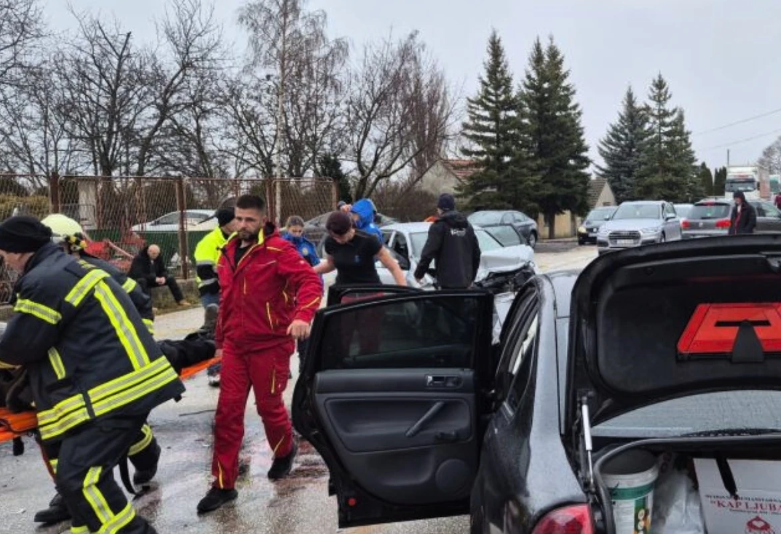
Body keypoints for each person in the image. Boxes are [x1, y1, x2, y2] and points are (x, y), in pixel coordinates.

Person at [0, 215, 185, 534]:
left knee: (80, 481)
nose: (2, 257)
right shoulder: (66, 269)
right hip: (114, 387)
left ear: (15, 250)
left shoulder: (45, 279)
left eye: (2, 251)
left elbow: (18, 347)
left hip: (110, 393)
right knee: (76, 483)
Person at [197, 195, 323, 514]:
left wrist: (302, 316)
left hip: (270, 344)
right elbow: (226, 300)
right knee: (227, 413)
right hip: (237, 347)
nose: (242, 225)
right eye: (238, 219)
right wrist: (220, 341)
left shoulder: (279, 250)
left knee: (269, 407)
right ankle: (223, 485)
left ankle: (284, 450)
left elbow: (309, 281)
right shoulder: (226, 253)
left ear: (262, 219)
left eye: (249, 220)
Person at [314, 211, 406, 354]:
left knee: (369, 340)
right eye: (335, 237)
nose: (339, 240)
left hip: (370, 296)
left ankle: (368, 369)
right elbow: (331, 264)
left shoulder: (368, 240)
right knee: (341, 338)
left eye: (342, 236)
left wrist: (403, 290)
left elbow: (393, 266)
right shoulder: (331, 242)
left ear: (351, 227)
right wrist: (310, 271)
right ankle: (340, 369)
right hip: (344, 295)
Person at [282, 216, 323, 373]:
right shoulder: (282, 246)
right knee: (286, 330)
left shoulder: (307, 246)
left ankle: (304, 363)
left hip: (304, 292)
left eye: (300, 231)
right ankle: (284, 367)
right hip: (287, 293)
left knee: (304, 328)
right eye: (294, 231)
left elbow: (316, 268)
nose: (297, 234)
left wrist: (317, 288)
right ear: (287, 229)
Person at [414, 193, 481, 289]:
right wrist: (471, 278)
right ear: (454, 207)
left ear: (439, 209)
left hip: (447, 285)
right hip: (465, 284)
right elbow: (476, 254)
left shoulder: (439, 226)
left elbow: (428, 253)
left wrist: (419, 274)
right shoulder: (467, 226)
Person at [194, 207, 237, 308]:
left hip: (232, 289)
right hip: (212, 291)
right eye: (236, 219)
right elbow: (203, 270)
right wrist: (217, 288)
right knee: (215, 322)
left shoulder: (238, 238)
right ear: (226, 223)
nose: (240, 223)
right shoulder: (208, 242)